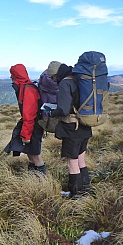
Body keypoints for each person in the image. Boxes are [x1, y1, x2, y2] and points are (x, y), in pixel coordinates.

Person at [44, 60, 93, 198]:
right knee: (81, 160)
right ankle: (86, 190)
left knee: (72, 163)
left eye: (53, 77)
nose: (54, 80)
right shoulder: (78, 79)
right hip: (85, 125)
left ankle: (76, 196)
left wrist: (51, 112)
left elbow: (64, 110)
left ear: (57, 74)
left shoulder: (65, 83)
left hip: (72, 128)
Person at [3, 64, 46, 174]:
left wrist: (26, 135)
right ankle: (32, 177)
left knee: (35, 155)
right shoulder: (24, 87)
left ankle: (42, 181)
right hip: (31, 125)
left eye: (12, 75)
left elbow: (29, 115)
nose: (10, 77)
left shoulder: (28, 90)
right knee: (30, 152)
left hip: (33, 126)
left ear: (16, 76)